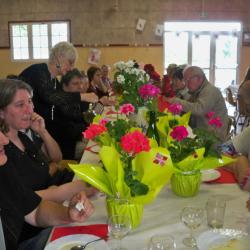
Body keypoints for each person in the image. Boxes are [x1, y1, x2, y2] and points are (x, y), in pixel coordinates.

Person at [0, 117, 94, 250]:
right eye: (20, 104)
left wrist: (68, 213)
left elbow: (36, 210)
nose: (5, 140)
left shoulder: (3, 168)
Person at [19, 41, 98, 133]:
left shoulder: (54, 80)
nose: (72, 68)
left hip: (40, 125)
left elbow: (63, 106)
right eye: (71, 63)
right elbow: (50, 96)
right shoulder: (38, 70)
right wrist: (82, 96)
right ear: (60, 57)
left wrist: (88, 116)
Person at [165, 66, 229, 141]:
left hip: (213, 139)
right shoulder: (198, 91)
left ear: (199, 78)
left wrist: (177, 101)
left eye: (188, 80)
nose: (186, 84)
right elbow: (189, 106)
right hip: (203, 133)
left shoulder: (210, 91)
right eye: (185, 81)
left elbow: (199, 109)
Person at [51, 68, 90, 160]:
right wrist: (85, 124)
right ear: (64, 86)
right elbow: (72, 132)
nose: (80, 87)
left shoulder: (76, 99)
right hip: (67, 148)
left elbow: (86, 119)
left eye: (81, 83)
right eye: (75, 83)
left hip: (77, 138)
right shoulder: (61, 103)